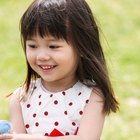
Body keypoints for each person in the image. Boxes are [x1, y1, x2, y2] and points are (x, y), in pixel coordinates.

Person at [0, 0, 119, 139]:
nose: (42, 56)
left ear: (81, 46)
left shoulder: (92, 96)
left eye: (53, 46)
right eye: (32, 46)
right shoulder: (21, 97)